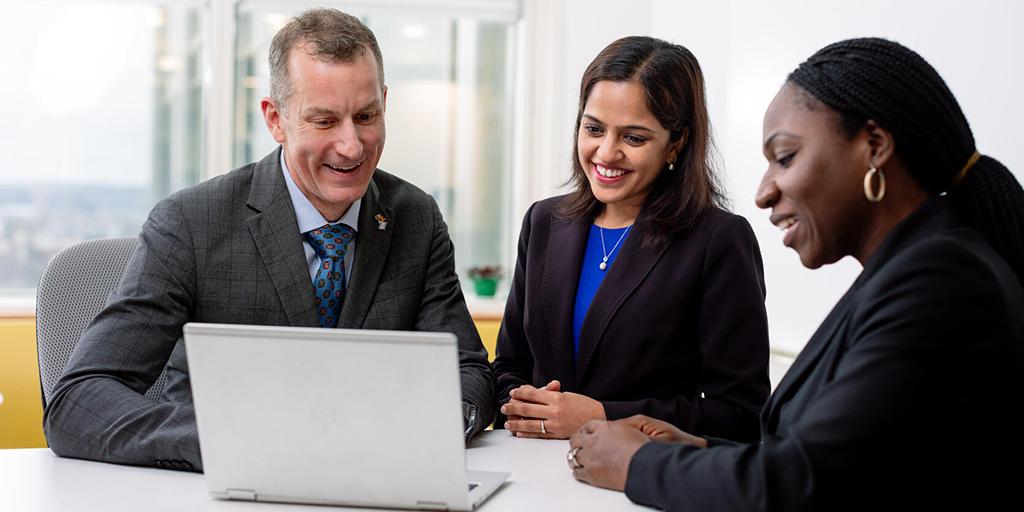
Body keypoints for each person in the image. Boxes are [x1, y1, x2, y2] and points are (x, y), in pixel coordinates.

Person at [567, 37, 1024, 510]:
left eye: (784, 157)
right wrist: (696, 450)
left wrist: (638, 464)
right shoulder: (914, 269)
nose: (764, 192)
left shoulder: (942, 282)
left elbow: (803, 485)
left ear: (873, 147)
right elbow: (848, 467)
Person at [43, 8, 495, 471]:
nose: (352, 145)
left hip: (374, 478)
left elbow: (469, 372)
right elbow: (77, 401)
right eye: (323, 121)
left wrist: (432, 425)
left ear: (384, 103)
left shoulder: (415, 217)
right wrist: (229, 440)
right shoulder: (190, 223)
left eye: (365, 116)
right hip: (222, 485)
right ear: (276, 119)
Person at [492, 36, 770, 442]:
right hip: (534, 477)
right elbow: (510, 367)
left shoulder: (718, 240)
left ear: (676, 143)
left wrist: (604, 416)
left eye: (633, 138)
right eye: (593, 129)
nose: (606, 153)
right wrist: (524, 411)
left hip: (640, 483)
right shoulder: (545, 221)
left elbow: (740, 415)